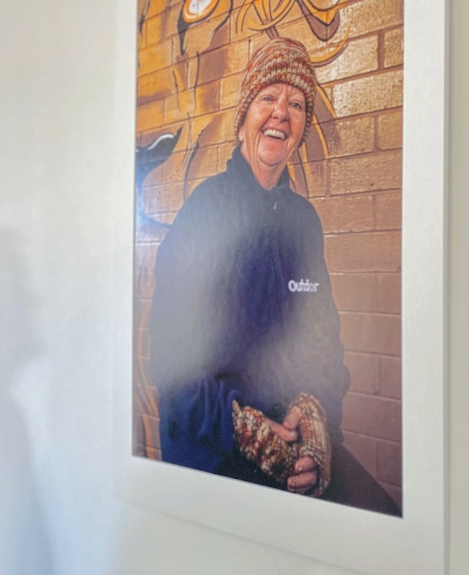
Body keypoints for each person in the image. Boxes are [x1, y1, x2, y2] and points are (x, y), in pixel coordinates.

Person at [149, 37, 399, 514]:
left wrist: (317, 425)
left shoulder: (304, 224)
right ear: (244, 118)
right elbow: (172, 369)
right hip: (213, 453)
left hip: (290, 444)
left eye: (297, 103)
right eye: (268, 97)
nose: (282, 111)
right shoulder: (204, 215)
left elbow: (324, 344)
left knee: (381, 520)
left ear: (302, 128)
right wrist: (246, 429)